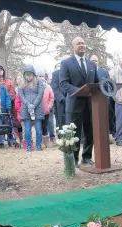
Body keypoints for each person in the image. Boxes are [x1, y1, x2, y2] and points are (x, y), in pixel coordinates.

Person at [59, 37, 99, 167]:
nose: (82, 45)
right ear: (73, 47)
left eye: (83, 43)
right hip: (74, 104)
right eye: (78, 43)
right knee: (74, 133)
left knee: (90, 132)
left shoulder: (92, 64)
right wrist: (79, 90)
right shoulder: (66, 63)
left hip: (90, 104)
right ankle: (74, 159)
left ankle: (87, 157)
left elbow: (96, 83)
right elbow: (63, 83)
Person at [18, 65, 45, 151]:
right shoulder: (21, 84)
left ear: (33, 75)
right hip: (26, 109)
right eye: (27, 75)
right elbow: (21, 95)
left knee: (38, 128)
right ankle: (29, 145)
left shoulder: (39, 83)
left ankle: (39, 145)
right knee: (27, 129)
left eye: (30, 75)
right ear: (24, 75)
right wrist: (28, 104)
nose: (28, 77)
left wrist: (33, 105)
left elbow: (40, 94)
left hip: (37, 109)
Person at [36, 69, 55, 148]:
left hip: (46, 110)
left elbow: (52, 97)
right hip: (37, 110)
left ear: (44, 77)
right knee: (38, 126)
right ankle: (39, 142)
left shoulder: (48, 87)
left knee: (45, 126)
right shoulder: (34, 86)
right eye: (39, 76)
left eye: (42, 76)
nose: (41, 78)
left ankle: (46, 142)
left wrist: (49, 106)